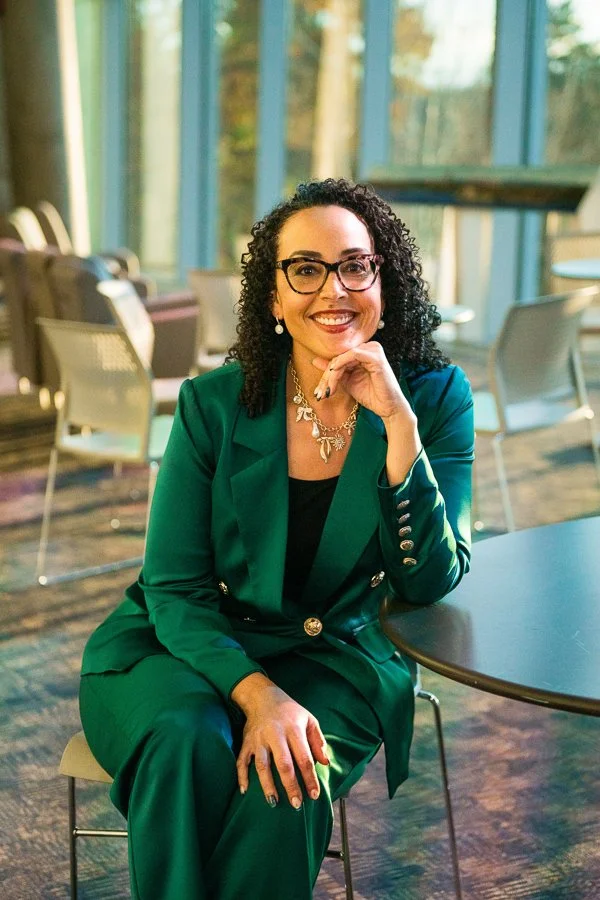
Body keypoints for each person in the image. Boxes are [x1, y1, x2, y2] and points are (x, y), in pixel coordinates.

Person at [79, 177, 474, 899]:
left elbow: (428, 582)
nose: (335, 289)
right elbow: (173, 586)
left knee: (282, 787)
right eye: (305, 268)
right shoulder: (213, 404)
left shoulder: (434, 398)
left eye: (356, 265)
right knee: (185, 741)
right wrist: (258, 694)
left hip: (338, 657)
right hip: (184, 644)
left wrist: (399, 430)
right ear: (273, 297)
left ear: (384, 281)